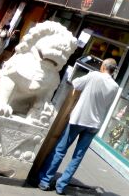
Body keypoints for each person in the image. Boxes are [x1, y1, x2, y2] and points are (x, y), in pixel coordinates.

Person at [38, 58, 119, 195]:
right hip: (94, 124)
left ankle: (45, 180)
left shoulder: (94, 76)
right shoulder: (115, 87)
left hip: (79, 118)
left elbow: (76, 83)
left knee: (60, 150)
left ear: (104, 66)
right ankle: (61, 186)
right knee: (77, 157)